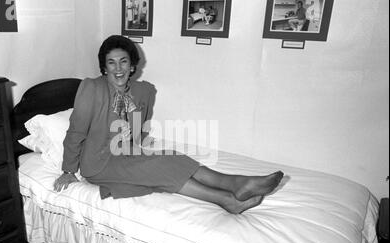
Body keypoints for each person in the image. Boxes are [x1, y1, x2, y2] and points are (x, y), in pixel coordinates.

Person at [53, 35, 284, 215]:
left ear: (132, 65)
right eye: (111, 63)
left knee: (172, 157)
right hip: (98, 164)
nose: (118, 68)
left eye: (124, 61)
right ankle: (228, 199)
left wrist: (138, 152)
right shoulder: (91, 88)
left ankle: (235, 183)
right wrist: (68, 171)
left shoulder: (143, 91)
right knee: (159, 167)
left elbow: (134, 132)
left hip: (124, 153)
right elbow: (75, 133)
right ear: (104, 68)